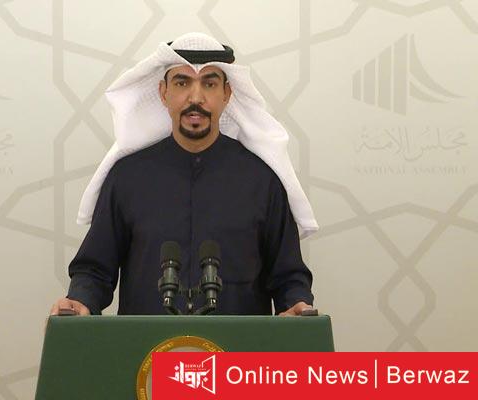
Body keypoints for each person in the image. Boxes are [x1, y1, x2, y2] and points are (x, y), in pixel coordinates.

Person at [50, 32, 318, 317]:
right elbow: (94, 270)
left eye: (209, 84)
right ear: (163, 93)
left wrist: (296, 304)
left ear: (227, 94)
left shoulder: (262, 180)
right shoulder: (127, 178)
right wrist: (80, 300)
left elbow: (287, 276)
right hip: (147, 345)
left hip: (236, 347)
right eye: (182, 82)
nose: (196, 97)